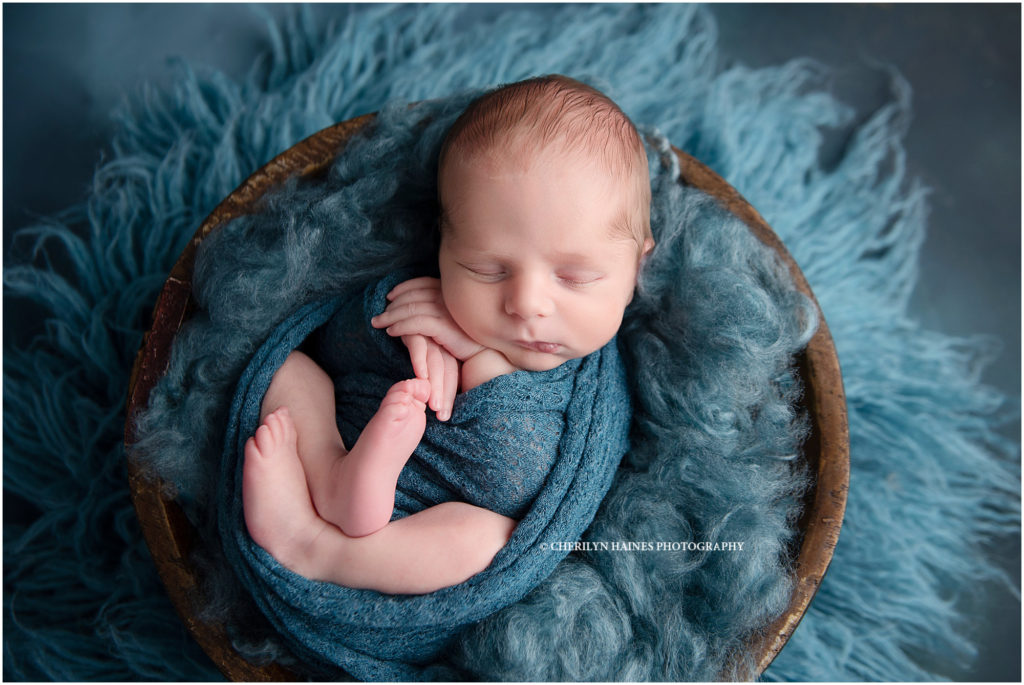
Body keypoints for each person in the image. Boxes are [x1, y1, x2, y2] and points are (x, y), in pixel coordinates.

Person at [241, 75, 654, 595]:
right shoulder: (424, 294)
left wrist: (484, 364)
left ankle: (315, 548)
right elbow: (334, 347)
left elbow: (514, 485)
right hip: (341, 440)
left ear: (636, 269)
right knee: (288, 367)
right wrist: (392, 318)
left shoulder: (597, 389)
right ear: (441, 248)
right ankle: (332, 476)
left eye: (574, 278)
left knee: (488, 542)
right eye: (486, 270)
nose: (526, 305)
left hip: (410, 543)